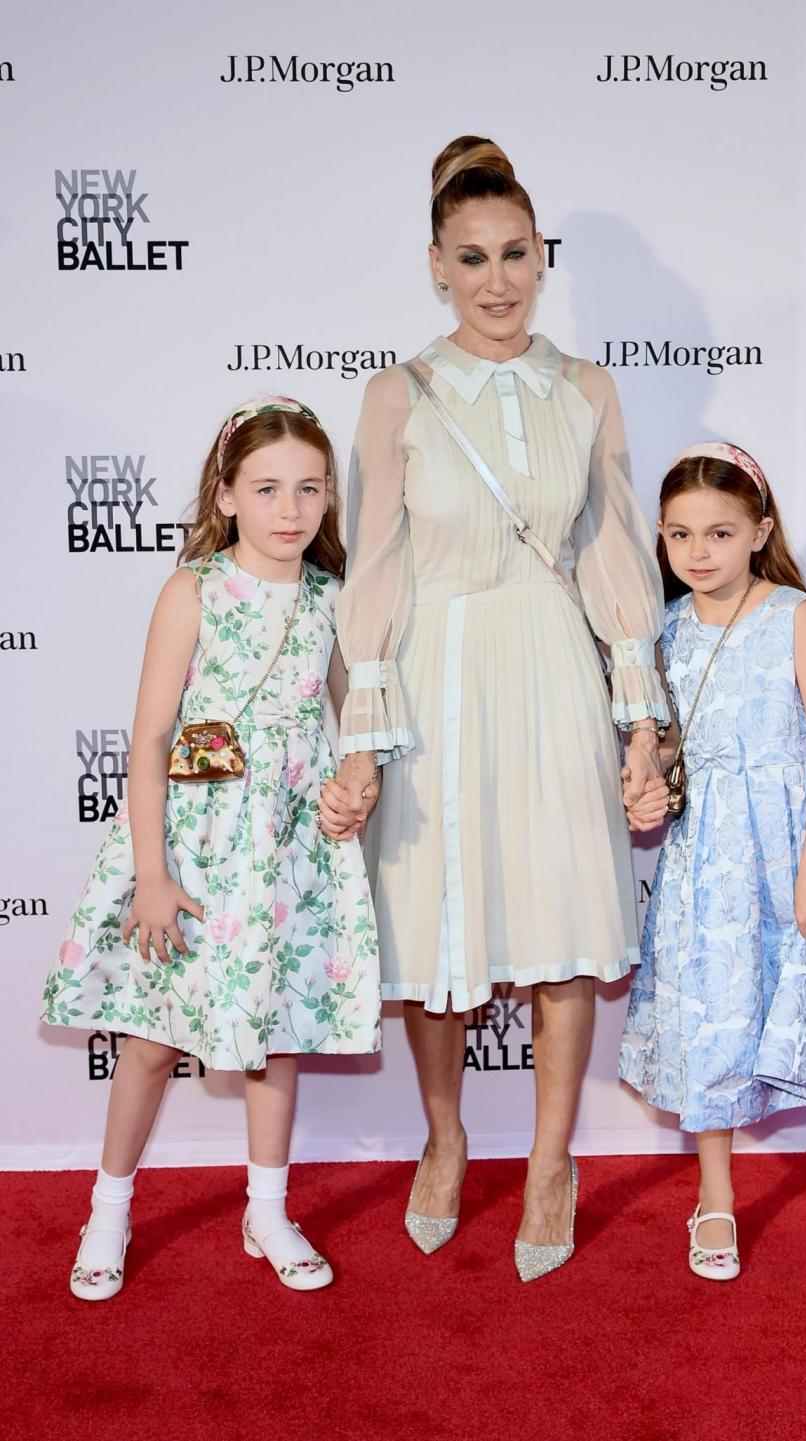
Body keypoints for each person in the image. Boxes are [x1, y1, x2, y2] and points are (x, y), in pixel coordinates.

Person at [318, 136, 667, 1282]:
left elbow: (617, 556)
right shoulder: (398, 394)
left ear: (540, 256)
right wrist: (364, 733)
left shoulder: (588, 390)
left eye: (518, 253)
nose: (500, 280)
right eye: (473, 258)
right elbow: (374, 564)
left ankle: (553, 1161)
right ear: (436, 264)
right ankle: (446, 1137)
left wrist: (641, 720)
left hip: (552, 668)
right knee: (436, 933)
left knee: (565, 924)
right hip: (435, 673)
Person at [42, 396, 381, 1300]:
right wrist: (152, 875)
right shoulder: (192, 590)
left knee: (272, 1034)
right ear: (226, 494)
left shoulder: (331, 598)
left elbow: (357, 716)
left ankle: (266, 1209)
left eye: (310, 489)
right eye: (267, 489)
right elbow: (151, 738)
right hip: (194, 846)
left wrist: (357, 782)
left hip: (286, 849)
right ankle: (108, 1210)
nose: (290, 509)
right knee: (152, 1036)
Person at [620, 442, 806, 1284]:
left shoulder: (792, 615)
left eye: (719, 531)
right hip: (708, 866)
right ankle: (715, 1196)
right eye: (679, 535)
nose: (698, 552)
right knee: (713, 1024)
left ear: (761, 531)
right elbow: (664, 749)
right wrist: (644, 783)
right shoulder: (663, 631)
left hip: (797, 850)